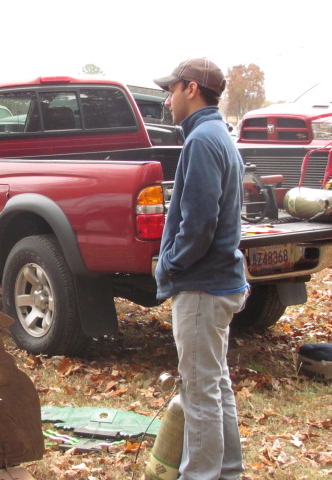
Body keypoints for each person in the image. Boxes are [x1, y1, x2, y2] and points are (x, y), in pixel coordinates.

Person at [153, 58, 249, 480]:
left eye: (171, 90)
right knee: (215, 384)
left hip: (203, 288)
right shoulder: (218, 135)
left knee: (199, 391)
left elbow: (199, 223)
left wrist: (171, 265)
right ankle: (228, 471)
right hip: (219, 282)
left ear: (191, 89)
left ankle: (201, 475)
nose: (167, 99)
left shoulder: (202, 140)